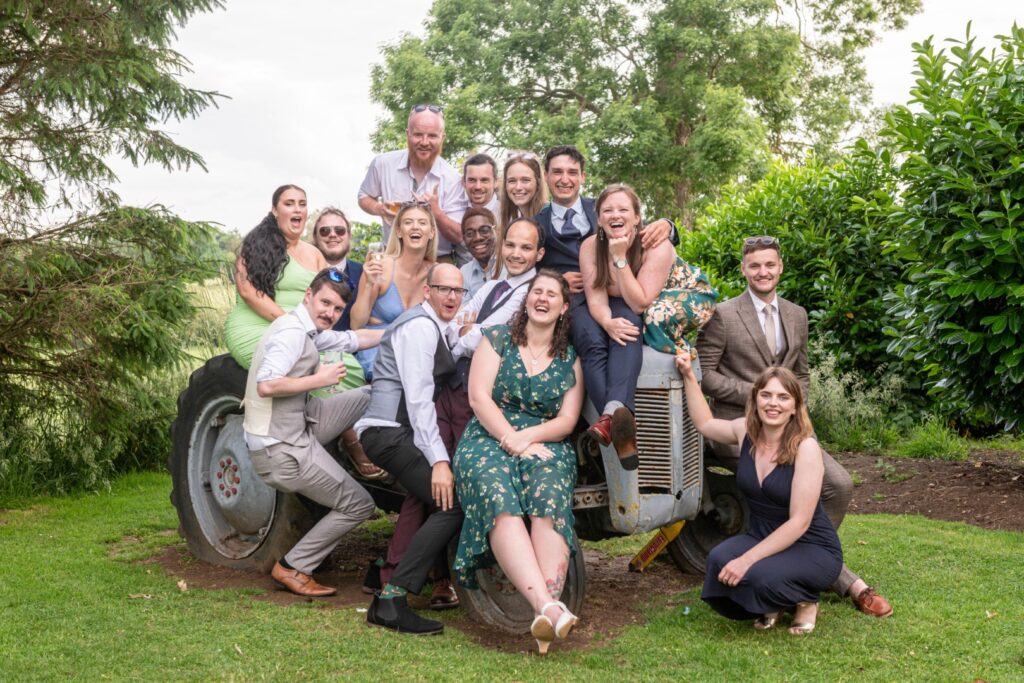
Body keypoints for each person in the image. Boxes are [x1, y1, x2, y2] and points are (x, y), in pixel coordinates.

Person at [695, 236, 893, 618]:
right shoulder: (723, 314)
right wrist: (758, 396)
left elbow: (799, 374)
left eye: (769, 264)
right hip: (745, 432)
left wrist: (790, 407)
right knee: (785, 502)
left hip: (789, 427)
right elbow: (707, 376)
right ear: (743, 269)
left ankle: (797, 568)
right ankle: (844, 582)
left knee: (838, 485)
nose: (763, 272)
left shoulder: (797, 314)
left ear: (780, 267)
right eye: (755, 265)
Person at [452, 270, 584, 654]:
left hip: (543, 441)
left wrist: (528, 439)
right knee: (498, 496)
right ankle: (546, 606)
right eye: (536, 292)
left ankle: (546, 619)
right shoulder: (496, 341)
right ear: (526, 301)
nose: (542, 298)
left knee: (550, 492)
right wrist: (511, 440)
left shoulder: (568, 359)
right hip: (488, 437)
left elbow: (566, 421)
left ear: (562, 308)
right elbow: (479, 398)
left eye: (551, 294)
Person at [675, 357, 842, 635]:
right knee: (717, 560)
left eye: (782, 397)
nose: (772, 403)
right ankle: (774, 600)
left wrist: (747, 559)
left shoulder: (806, 448)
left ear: (795, 407)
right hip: (762, 535)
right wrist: (690, 377)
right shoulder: (745, 432)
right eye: (765, 395)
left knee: (754, 574)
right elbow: (705, 423)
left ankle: (806, 600)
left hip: (811, 546)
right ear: (755, 399)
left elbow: (799, 523)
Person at [243, 268, 384, 597]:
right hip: (280, 447)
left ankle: (383, 455)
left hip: (299, 422)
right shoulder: (291, 334)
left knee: (371, 393)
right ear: (308, 294)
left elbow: (354, 339)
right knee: (360, 505)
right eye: (325, 303)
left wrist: (402, 328)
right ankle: (293, 567)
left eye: (336, 309)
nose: (330, 313)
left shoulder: (307, 328)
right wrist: (318, 380)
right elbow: (267, 384)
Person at [356, 264, 467, 636]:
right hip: (389, 433)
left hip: (397, 433)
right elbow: (418, 400)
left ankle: (386, 577)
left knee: (436, 502)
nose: (451, 296)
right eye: (443, 289)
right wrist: (439, 460)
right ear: (427, 292)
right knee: (451, 505)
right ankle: (391, 598)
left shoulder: (434, 325)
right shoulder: (419, 327)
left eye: (458, 291)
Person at [577, 184, 675, 470]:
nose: (615, 215)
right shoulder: (590, 246)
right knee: (591, 339)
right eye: (607, 210)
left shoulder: (657, 246)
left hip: (630, 302)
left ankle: (609, 420)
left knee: (629, 327)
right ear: (598, 218)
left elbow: (639, 303)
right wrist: (606, 322)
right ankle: (619, 424)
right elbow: (596, 298)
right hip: (595, 307)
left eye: (623, 210)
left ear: (636, 217)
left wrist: (620, 259)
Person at [534, 145, 676, 295]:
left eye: (572, 172)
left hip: (616, 294)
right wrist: (556, 281)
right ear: (545, 176)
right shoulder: (535, 224)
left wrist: (668, 225)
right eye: (557, 172)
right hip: (568, 298)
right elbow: (522, 268)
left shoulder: (606, 207)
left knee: (631, 319)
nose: (564, 179)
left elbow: (637, 224)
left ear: (583, 177)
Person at [225, 185, 326, 369]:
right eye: (289, 204)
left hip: (304, 334)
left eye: (302, 204)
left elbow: (326, 296)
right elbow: (247, 292)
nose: (297, 209)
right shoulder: (256, 246)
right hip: (257, 328)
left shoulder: (315, 254)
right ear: (275, 211)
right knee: (311, 368)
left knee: (348, 367)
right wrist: (294, 325)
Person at [357, 104, 468, 263]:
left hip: (436, 261)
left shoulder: (452, 179)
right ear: (407, 134)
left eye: (432, 136)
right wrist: (378, 208)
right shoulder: (382, 164)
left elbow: (458, 235)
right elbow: (364, 196)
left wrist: (435, 212)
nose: (424, 142)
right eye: (418, 134)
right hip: (393, 258)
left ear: (442, 137)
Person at [349, 202, 437, 380]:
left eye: (422, 222)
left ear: (432, 232)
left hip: (416, 357)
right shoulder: (382, 266)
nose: (415, 227)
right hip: (376, 355)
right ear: (398, 231)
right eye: (408, 222)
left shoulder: (437, 273)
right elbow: (356, 325)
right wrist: (368, 285)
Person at [310, 207, 363, 332]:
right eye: (325, 231)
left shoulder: (363, 274)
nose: (333, 235)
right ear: (315, 237)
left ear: (349, 235)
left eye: (339, 230)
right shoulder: (304, 271)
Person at [458, 207, 498, 297]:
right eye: (469, 234)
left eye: (484, 230)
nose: (477, 238)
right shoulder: (464, 273)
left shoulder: (509, 266)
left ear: (496, 231)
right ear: (464, 239)